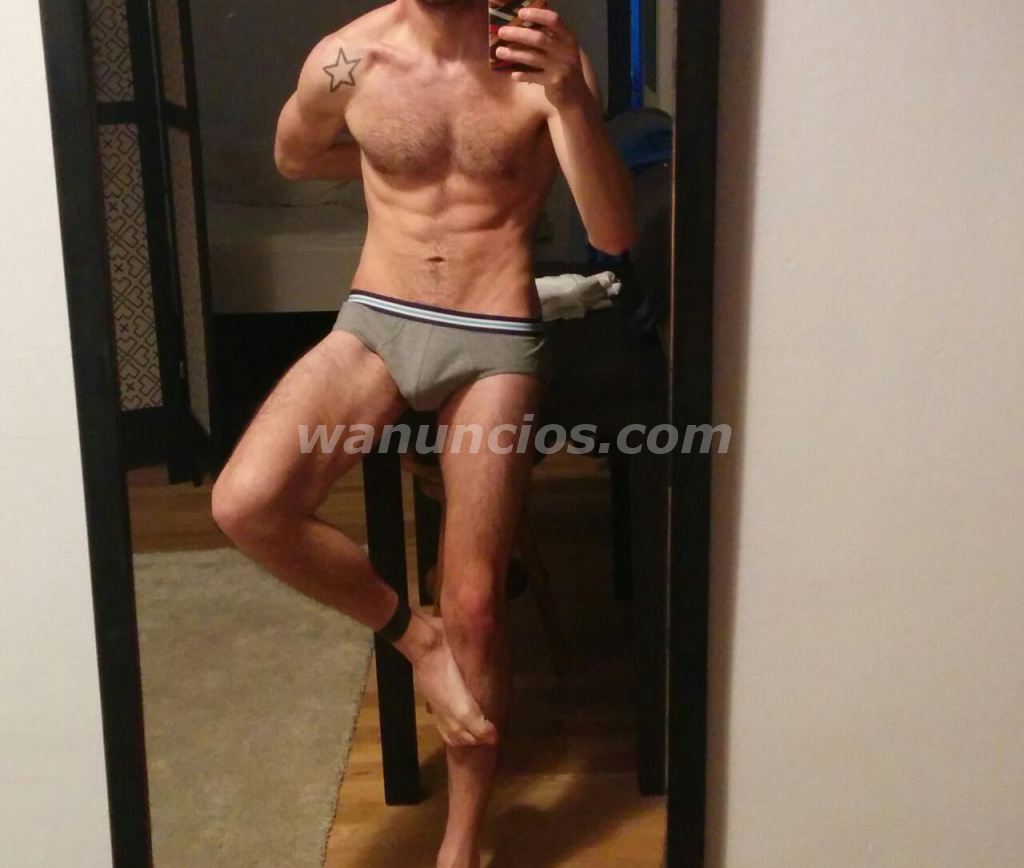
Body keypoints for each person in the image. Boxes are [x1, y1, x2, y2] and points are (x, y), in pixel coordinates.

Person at [211, 1, 636, 865]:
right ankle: (417, 636)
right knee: (246, 503)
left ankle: (462, 844)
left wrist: (571, 98)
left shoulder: (541, 59)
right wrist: (377, 157)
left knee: (475, 603)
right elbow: (293, 156)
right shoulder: (348, 57)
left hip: (494, 335)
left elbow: (612, 232)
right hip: (377, 319)